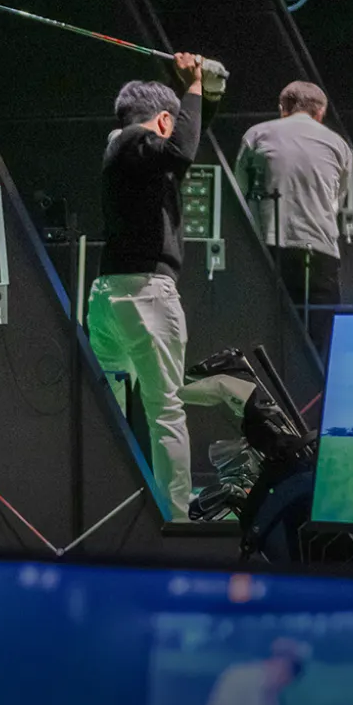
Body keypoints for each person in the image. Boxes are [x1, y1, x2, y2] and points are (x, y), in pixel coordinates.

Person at [87, 54, 225, 521]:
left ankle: (118, 506)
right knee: (166, 410)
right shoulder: (134, 142)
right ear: (162, 120)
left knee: (113, 411)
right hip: (144, 295)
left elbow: (185, 146)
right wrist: (191, 87)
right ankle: (178, 516)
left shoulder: (130, 153)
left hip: (112, 296)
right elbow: (182, 150)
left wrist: (201, 92)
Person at [235, 81, 353, 358]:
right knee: (319, 345)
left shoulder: (256, 135)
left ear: (282, 108)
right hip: (320, 252)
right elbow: (337, 198)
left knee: (266, 338)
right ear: (321, 113)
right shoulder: (339, 145)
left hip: (268, 249)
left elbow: (240, 189)